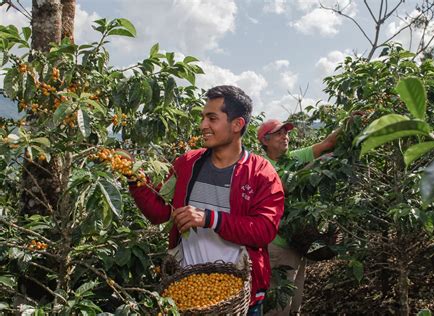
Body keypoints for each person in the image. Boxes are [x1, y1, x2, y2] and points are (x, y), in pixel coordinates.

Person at [129, 86, 285, 315]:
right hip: (188, 288)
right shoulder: (187, 164)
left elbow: (264, 230)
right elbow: (160, 212)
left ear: (237, 124)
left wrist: (209, 218)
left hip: (238, 293)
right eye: (203, 117)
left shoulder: (261, 173)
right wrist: (136, 181)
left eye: (212, 118)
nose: (203, 125)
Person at [257, 119, 338, 316]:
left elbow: (327, 144)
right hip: (276, 245)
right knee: (278, 307)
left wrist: (350, 122)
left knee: (295, 302)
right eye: (278, 133)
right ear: (265, 140)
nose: (285, 136)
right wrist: (316, 164)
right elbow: (282, 187)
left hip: (297, 244)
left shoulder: (293, 158)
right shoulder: (260, 165)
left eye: (286, 133)